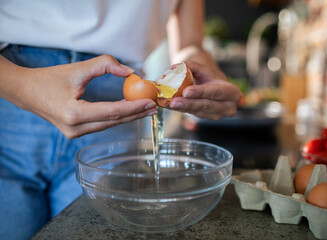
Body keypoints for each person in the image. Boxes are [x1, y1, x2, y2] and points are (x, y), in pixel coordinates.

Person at [0, 0, 241, 239]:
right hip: (11, 88)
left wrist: (199, 69)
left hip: (119, 108)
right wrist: (19, 85)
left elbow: (189, 43)